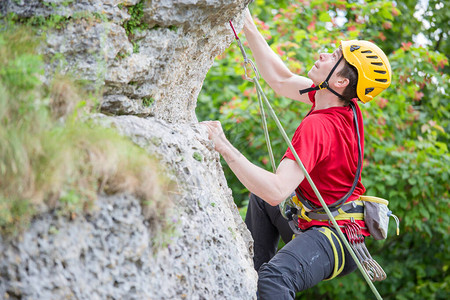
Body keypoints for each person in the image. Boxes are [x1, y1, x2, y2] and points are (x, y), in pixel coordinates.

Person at [201, 8, 391, 299]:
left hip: (335, 237)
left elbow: (278, 190)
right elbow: (280, 79)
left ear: (340, 81)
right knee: (260, 201)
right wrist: (247, 23)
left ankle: (264, 283)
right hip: (322, 222)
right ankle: (253, 276)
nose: (324, 54)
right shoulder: (339, 103)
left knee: (275, 279)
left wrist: (223, 145)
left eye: (334, 57)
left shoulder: (319, 126)